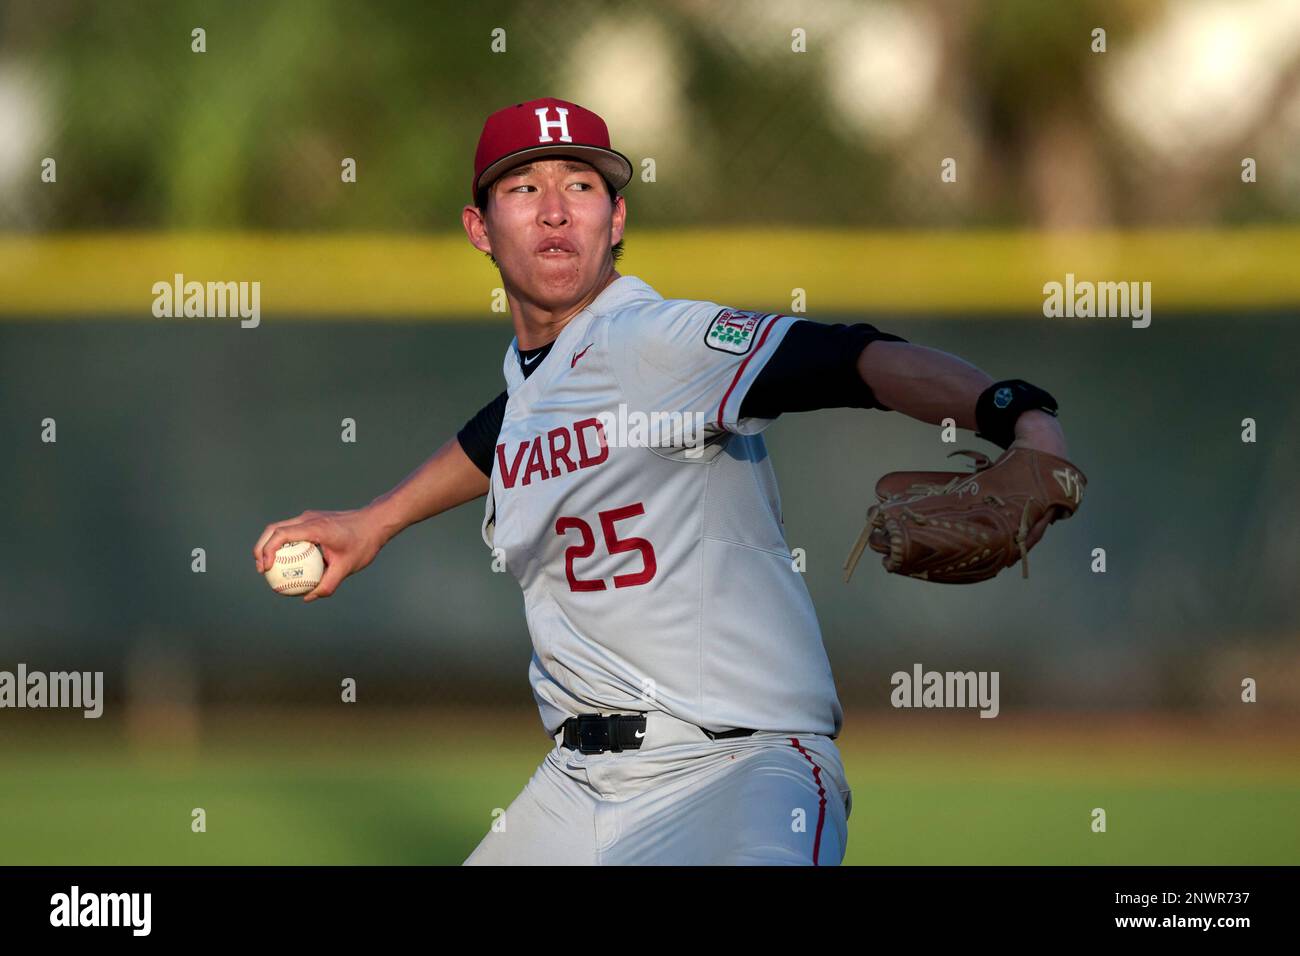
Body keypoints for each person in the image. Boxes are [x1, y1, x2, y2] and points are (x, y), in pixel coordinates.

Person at [253, 97, 1070, 865]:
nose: (555, 207)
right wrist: (374, 524)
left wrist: (1018, 412)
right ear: (479, 227)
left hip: (739, 769)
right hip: (579, 785)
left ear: (616, 220)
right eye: (523, 186)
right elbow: (503, 431)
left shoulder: (659, 340)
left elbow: (848, 357)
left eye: (582, 185)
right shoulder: (541, 385)